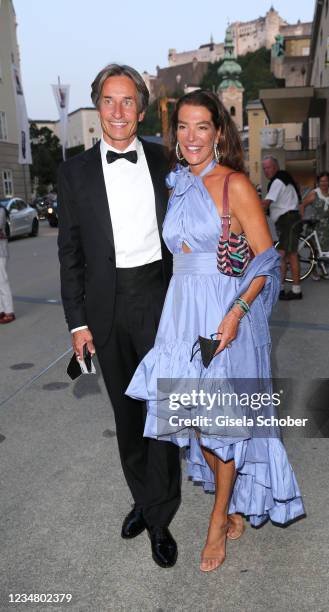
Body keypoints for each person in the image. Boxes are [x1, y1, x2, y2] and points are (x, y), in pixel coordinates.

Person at [126, 90, 305, 573]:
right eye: (183, 127)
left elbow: (268, 263)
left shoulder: (236, 185)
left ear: (218, 132)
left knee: (219, 422)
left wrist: (234, 315)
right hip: (181, 312)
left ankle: (218, 517)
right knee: (198, 421)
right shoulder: (176, 184)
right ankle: (233, 500)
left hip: (223, 315)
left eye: (201, 126)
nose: (191, 137)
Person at [57, 64, 181, 569]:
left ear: (141, 109)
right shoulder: (73, 173)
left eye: (128, 101)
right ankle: (144, 498)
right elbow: (69, 253)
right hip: (105, 308)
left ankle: (160, 515)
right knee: (128, 416)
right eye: (108, 100)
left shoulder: (164, 161)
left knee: (164, 412)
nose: (118, 111)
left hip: (158, 297)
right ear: (97, 107)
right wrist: (77, 323)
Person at [261, 156, 302, 300]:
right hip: (285, 221)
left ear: (276, 167)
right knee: (282, 256)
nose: (266, 171)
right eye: (264, 168)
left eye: (269, 167)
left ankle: (296, 291)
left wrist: (249, 208)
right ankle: (280, 289)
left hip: (288, 220)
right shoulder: (282, 178)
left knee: (290, 254)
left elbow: (266, 203)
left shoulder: (278, 181)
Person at [299, 171, 329, 280]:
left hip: (327, 226)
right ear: (318, 182)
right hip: (315, 225)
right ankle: (313, 271)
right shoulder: (314, 193)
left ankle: (323, 269)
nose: (324, 183)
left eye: (326, 181)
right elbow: (302, 205)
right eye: (322, 181)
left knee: (324, 250)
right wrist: (301, 219)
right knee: (314, 250)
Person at [0, 205, 15, 324]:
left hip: (1, 251)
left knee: (2, 281)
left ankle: (9, 312)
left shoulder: (1, 210)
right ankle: (1, 310)